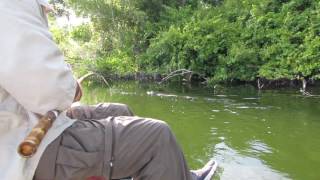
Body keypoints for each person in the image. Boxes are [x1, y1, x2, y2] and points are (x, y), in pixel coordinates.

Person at [0, 0, 217, 180]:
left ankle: (176, 173)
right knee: (157, 137)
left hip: (24, 121)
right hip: (19, 150)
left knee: (120, 110)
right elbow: (50, 93)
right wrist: (73, 88)